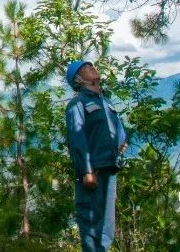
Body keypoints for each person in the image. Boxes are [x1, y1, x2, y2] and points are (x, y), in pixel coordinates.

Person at [65, 60, 129, 252]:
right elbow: (77, 138)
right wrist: (86, 170)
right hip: (93, 172)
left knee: (107, 228)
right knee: (92, 227)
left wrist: (122, 142)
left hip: (110, 169)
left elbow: (117, 128)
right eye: (85, 68)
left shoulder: (106, 102)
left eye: (91, 65)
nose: (92, 68)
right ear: (79, 79)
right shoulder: (78, 104)